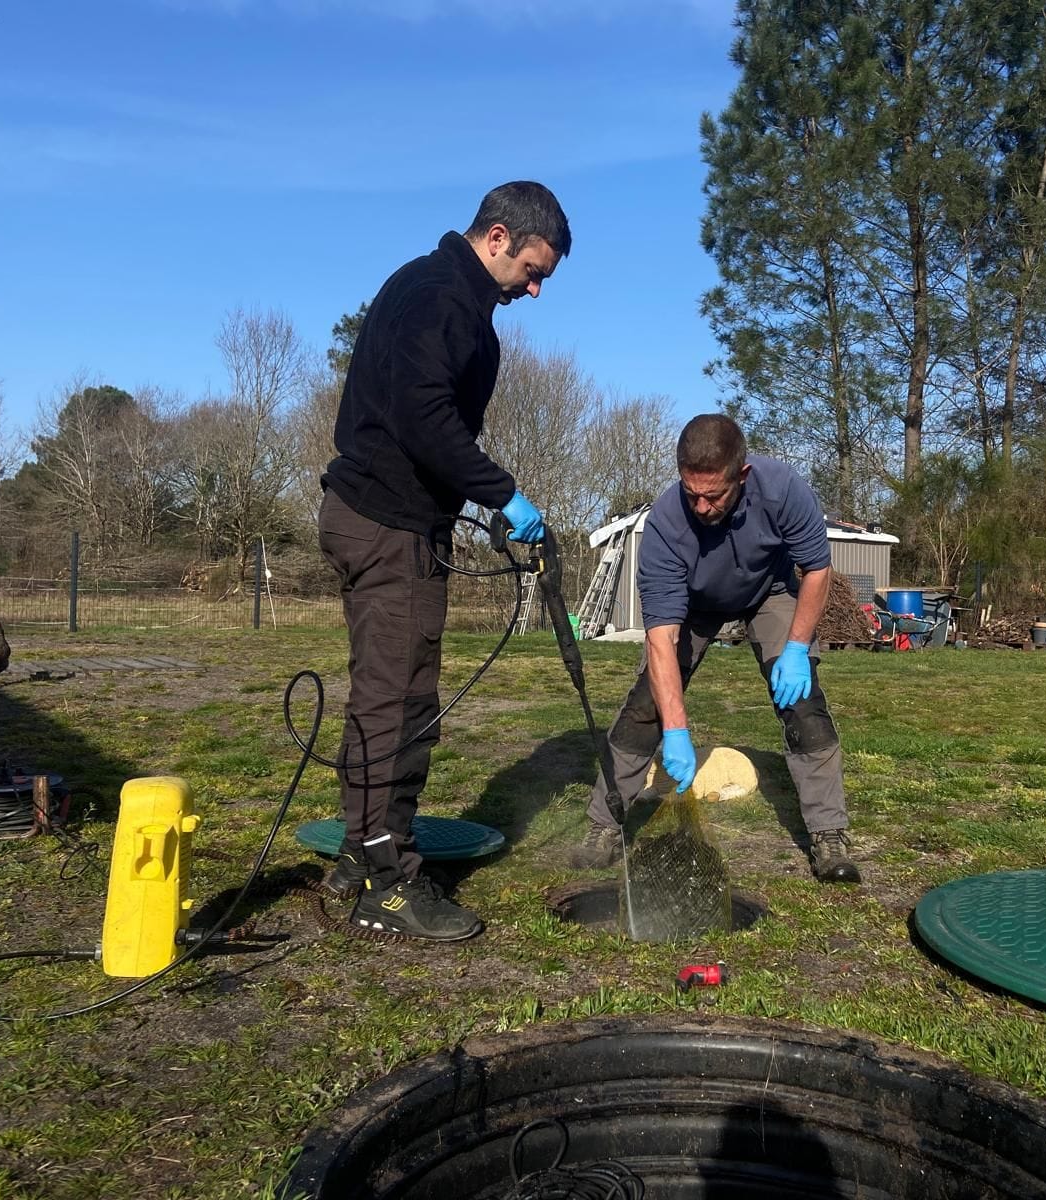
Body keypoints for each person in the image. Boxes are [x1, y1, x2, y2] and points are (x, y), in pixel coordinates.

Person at [318, 181, 571, 941]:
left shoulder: (459, 305)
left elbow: (436, 429)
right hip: (385, 526)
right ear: (497, 237)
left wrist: (472, 496)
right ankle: (387, 882)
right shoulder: (438, 296)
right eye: (532, 270)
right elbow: (422, 416)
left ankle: (360, 857)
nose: (534, 289)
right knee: (399, 703)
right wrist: (503, 493)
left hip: (399, 522)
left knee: (389, 695)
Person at [570, 413, 861, 884]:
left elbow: (817, 568)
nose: (702, 507)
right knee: (647, 703)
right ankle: (605, 823)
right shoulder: (666, 524)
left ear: (741, 475)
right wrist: (676, 729)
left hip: (771, 591)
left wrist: (796, 648)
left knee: (803, 702)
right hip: (693, 603)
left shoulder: (783, 489)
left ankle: (829, 833)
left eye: (714, 495)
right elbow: (662, 638)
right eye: (692, 494)